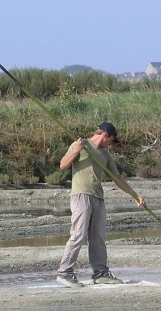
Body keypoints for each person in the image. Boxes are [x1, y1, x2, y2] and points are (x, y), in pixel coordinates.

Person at [56, 122, 145, 288]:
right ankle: (65, 273)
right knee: (79, 234)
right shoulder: (81, 144)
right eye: (111, 140)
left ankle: (101, 273)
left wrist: (135, 195)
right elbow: (63, 165)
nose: (111, 144)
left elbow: (117, 178)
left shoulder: (105, 155)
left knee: (98, 237)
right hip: (81, 194)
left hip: (98, 197)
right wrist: (76, 150)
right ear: (105, 135)